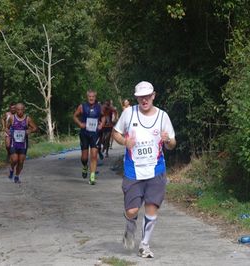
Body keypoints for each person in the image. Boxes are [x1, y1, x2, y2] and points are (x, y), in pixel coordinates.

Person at [112, 81, 176, 258]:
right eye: (141, 97)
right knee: (132, 211)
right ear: (137, 98)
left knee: (151, 208)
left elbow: (172, 144)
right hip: (133, 171)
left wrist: (167, 141)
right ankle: (129, 228)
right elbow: (115, 133)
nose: (144, 100)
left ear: (153, 95)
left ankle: (144, 245)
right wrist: (125, 142)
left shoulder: (163, 117)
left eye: (147, 96)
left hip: (156, 170)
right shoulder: (129, 113)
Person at [73, 90, 105, 185]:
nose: (91, 98)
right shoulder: (82, 106)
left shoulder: (99, 107)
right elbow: (74, 116)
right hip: (84, 134)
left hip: (95, 134)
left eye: (93, 97)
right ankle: (84, 166)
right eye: (89, 97)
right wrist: (80, 124)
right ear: (87, 97)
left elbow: (103, 117)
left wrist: (101, 125)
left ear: (95, 97)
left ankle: (92, 176)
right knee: (84, 158)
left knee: (94, 155)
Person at [6, 103, 38, 183]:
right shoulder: (12, 118)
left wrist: (29, 131)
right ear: (15, 110)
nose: (20, 111)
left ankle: (16, 176)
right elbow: (7, 128)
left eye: (21, 110)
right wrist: (9, 133)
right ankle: (11, 169)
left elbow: (35, 128)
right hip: (14, 143)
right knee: (14, 160)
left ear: (24, 110)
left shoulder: (27, 119)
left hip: (23, 144)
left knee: (21, 161)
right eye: (18, 110)